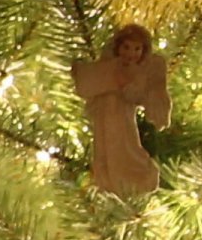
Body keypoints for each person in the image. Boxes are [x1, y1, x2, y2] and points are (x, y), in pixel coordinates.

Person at [71, 24, 170, 196]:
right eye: (126, 47)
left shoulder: (140, 72)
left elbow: (141, 95)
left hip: (123, 116)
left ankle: (133, 178)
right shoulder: (109, 66)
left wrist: (129, 87)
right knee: (104, 147)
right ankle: (106, 180)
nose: (131, 53)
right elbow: (88, 83)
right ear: (118, 47)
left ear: (143, 51)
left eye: (137, 49)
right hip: (105, 113)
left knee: (127, 146)